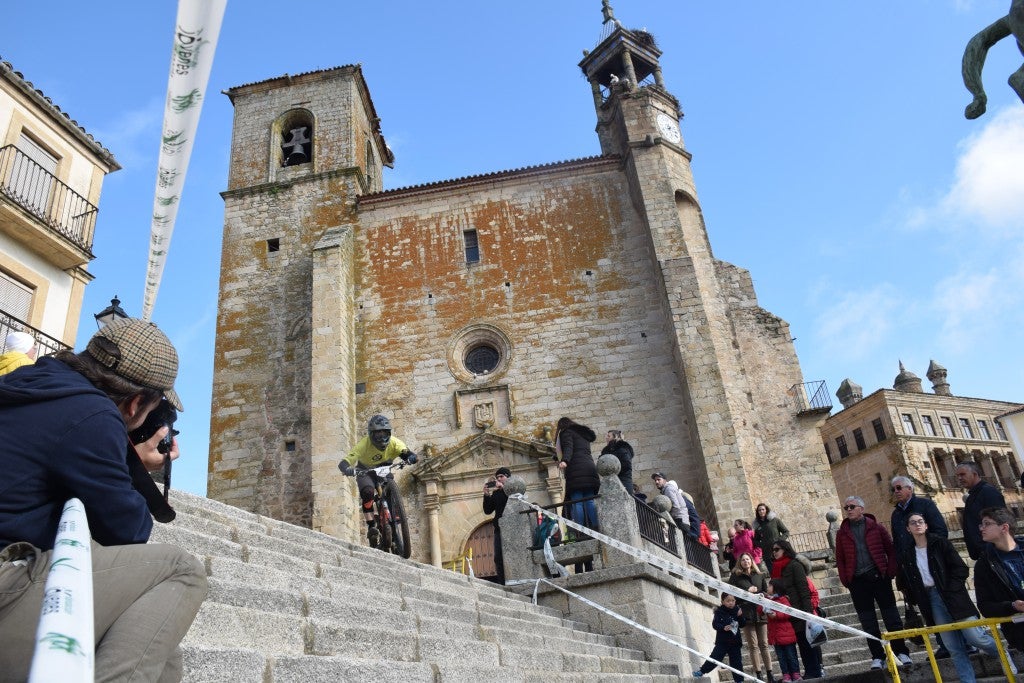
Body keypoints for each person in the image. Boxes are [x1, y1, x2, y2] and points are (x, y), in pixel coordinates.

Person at [0, 317, 208, 682]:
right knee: (181, 569)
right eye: (156, 406)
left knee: (159, 647)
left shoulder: (31, 383)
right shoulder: (92, 416)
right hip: (6, 585)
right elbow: (128, 530)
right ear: (137, 402)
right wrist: (138, 465)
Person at [898, 511, 1009, 683]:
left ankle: (1004, 655)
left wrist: (951, 589)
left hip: (954, 595)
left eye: (921, 521)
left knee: (975, 637)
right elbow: (908, 579)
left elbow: (960, 569)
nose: (917, 524)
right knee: (953, 646)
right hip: (932, 598)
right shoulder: (908, 553)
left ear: (926, 525)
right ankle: (967, 680)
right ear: (908, 528)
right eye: (913, 523)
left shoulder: (939, 543)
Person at [835, 496, 913, 670]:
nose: (848, 510)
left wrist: (889, 572)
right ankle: (877, 656)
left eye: (852, 506)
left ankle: (901, 652)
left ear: (861, 508)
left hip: (879, 578)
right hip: (857, 582)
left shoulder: (876, 527)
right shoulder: (842, 533)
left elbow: (891, 550)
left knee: (892, 618)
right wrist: (846, 579)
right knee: (868, 622)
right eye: (846, 507)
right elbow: (840, 559)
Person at [889, 474, 951, 658]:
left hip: (931, 564)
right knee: (927, 608)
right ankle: (943, 644)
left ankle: (960, 642)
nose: (896, 492)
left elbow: (940, 531)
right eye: (894, 489)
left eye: (899, 488)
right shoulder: (896, 514)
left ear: (910, 488)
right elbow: (897, 543)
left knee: (944, 604)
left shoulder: (925, 506)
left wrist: (926, 550)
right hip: (911, 569)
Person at [338, 414, 418, 546]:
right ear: (371, 434)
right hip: (365, 471)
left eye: (384, 433)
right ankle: (371, 525)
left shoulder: (394, 442)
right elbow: (345, 462)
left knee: (391, 487)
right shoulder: (364, 444)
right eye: (377, 434)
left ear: (389, 433)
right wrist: (347, 468)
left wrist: (411, 458)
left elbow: (406, 453)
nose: (381, 437)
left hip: (384, 469)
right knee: (368, 492)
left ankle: (395, 515)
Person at [771, 539, 823, 679]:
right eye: (773, 550)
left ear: (785, 549)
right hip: (786, 613)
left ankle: (813, 671)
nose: (774, 552)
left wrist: (807, 614)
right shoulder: (776, 568)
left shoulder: (795, 566)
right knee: (798, 645)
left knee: (806, 644)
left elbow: (803, 591)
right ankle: (805, 672)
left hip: (799, 611)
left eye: (777, 549)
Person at [974, 507, 1024, 651]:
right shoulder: (984, 564)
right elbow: (985, 606)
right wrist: (1012, 606)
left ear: (1004, 527)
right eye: (981, 524)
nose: (982, 528)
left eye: (987, 524)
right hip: (1019, 630)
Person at [556, 417, 600, 572]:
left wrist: (565, 461)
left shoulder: (566, 432)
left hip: (576, 470)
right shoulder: (583, 434)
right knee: (589, 499)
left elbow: (568, 447)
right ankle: (595, 525)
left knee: (577, 501)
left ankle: (579, 529)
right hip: (590, 469)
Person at [729, 552, 774, 682]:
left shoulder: (760, 576)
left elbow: (766, 593)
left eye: (747, 559)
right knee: (753, 645)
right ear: (740, 562)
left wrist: (760, 594)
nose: (746, 562)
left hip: (760, 613)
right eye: (743, 560)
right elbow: (732, 596)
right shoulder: (735, 577)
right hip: (746, 614)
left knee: (764, 644)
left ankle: (770, 673)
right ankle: (759, 674)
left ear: (751, 561)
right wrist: (746, 593)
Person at [957, 461, 1006, 560]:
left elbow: (1000, 522)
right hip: (983, 553)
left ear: (974, 474)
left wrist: (989, 548)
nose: (959, 478)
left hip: (993, 553)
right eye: (957, 475)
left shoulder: (988, 492)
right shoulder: (973, 496)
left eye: (962, 474)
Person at [693, 592, 746, 681]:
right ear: (722, 601)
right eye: (728, 601)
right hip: (722, 642)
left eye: (733, 600)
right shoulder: (719, 611)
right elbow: (715, 624)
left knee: (736, 663)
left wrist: (740, 616)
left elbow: (743, 624)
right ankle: (702, 671)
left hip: (735, 642)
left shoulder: (737, 611)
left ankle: (739, 680)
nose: (731, 603)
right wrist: (723, 628)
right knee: (715, 657)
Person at [762, 579, 801, 682]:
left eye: (769, 586)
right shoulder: (767, 600)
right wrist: (760, 601)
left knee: (791, 656)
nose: (767, 588)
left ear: (775, 588)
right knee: (781, 658)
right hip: (775, 636)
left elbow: (788, 612)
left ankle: (796, 673)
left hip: (786, 634)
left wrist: (777, 615)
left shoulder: (783, 599)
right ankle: (786, 675)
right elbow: (760, 611)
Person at [482, 466, 511, 584]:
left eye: (501, 476)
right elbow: (488, 510)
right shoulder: (496, 493)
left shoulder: (513, 489)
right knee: (498, 557)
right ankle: (502, 582)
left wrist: (504, 488)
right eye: (497, 477)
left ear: (508, 478)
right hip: (499, 529)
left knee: (510, 555)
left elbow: (514, 501)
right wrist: (486, 495)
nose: (499, 479)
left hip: (511, 527)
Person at [754, 503, 789, 573]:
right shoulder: (757, 525)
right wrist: (762, 545)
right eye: (759, 510)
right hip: (767, 554)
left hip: (779, 551)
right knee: (773, 574)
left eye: (763, 509)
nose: (761, 511)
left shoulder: (775, 520)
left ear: (766, 510)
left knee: (784, 572)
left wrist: (779, 541)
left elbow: (786, 532)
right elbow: (755, 541)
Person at [600, 429, 634, 494]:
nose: (606, 437)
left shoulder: (622, 449)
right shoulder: (607, 451)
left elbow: (627, 466)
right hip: (611, 483)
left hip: (623, 482)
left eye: (608, 436)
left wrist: (614, 471)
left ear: (615, 436)